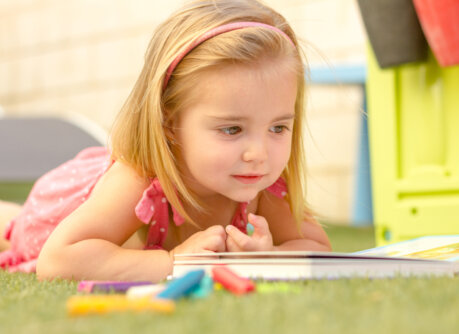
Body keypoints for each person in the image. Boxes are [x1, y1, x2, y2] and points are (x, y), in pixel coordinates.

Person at [0, 0, 332, 282]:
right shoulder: (139, 181)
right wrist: (173, 262)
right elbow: (58, 261)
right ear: (170, 124)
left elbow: (318, 248)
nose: (259, 154)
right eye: (231, 129)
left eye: (277, 128)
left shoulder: (262, 183)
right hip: (57, 210)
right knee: (9, 227)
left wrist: (273, 256)